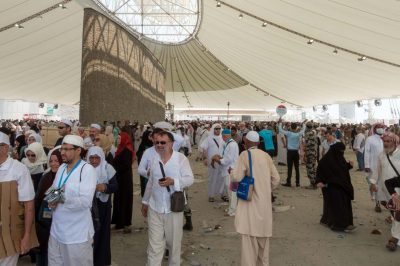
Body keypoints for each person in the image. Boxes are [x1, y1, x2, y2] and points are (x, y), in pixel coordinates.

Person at [141, 131, 194, 266]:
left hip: (173, 210)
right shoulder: (154, 160)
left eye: (163, 142)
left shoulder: (180, 159)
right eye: (156, 142)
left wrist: (173, 182)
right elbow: (151, 183)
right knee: (154, 247)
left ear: (171, 144)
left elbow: (189, 179)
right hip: (155, 208)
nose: (159, 145)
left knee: (174, 246)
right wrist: (145, 202)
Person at [231, 131, 280, 266]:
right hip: (264, 206)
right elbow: (276, 179)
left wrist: (231, 172)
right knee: (263, 246)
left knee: (249, 245)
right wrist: (264, 188)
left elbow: (236, 178)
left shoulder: (245, 155)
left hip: (250, 205)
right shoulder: (266, 156)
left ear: (245, 142)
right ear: (258, 143)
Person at [47, 135, 97, 266]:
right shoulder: (62, 168)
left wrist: (62, 198)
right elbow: (55, 188)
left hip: (76, 235)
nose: (62, 152)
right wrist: (52, 199)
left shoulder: (87, 170)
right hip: (56, 231)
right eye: (62, 149)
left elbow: (86, 202)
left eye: (66, 149)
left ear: (78, 150)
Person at [0, 132, 37, 266]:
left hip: (10, 234)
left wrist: (27, 236)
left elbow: (29, 206)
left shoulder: (19, 170)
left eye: (1, 146)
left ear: (5, 148)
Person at [87, 146, 118, 266]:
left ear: (101, 158)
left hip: (103, 207)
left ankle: (101, 262)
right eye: (91, 158)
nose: (94, 161)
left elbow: (115, 186)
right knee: (89, 235)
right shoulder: (85, 168)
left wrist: (105, 187)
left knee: (102, 234)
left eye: (97, 158)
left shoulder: (108, 168)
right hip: (88, 207)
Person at [316, 142, 356, 232]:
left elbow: (342, 169)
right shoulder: (326, 160)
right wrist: (319, 181)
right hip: (331, 186)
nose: (341, 153)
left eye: (343, 151)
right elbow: (320, 171)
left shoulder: (339, 158)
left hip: (342, 185)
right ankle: (339, 225)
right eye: (340, 151)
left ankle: (345, 223)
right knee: (337, 205)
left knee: (343, 204)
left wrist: (349, 165)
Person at [35, 147, 62, 266]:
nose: (53, 164)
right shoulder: (46, 177)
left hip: (59, 224)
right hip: (44, 224)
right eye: (51, 161)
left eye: (57, 161)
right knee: (43, 252)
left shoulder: (65, 179)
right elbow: (38, 199)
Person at [212, 128, 239, 216]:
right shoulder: (228, 143)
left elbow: (229, 159)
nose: (222, 138)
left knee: (232, 192)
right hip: (227, 170)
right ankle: (231, 207)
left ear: (227, 136)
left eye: (223, 136)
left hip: (231, 170)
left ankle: (233, 211)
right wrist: (220, 158)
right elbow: (226, 156)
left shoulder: (232, 144)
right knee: (229, 191)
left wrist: (220, 161)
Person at [111, 132, 135, 233]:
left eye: (120, 139)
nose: (119, 140)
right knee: (119, 199)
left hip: (124, 180)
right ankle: (118, 221)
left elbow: (126, 165)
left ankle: (123, 222)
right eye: (118, 139)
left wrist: (114, 169)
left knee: (123, 200)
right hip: (120, 178)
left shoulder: (127, 150)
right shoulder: (121, 149)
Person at [199, 123, 224, 202]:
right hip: (212, 162)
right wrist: (205, 159)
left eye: (219, 129)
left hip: (222, 161)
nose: (218, 130)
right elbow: (204, 149)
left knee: (222, 178)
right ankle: (211, 195)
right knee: (212, 178)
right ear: (213, 129)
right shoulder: (209, 139)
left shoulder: (223, 138)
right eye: (216, 129)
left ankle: (222, 194)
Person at [279, 120, 307, 187]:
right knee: (297, 168)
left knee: (289, 168)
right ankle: (297, 183)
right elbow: (303, 129)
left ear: (291, 127)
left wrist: (280, 123)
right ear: (296, 128)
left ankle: (288, 182)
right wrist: (303, 124)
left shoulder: (289, 133)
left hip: (290, 152)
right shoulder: (298, 134)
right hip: (296, 152)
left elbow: (280, 130)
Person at [364, 123, 385, 212]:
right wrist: (367, 165)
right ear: (375, 129)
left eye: (382, 127)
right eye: (379, 127)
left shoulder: (386, 139)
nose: (380, 129)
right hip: (373, 166)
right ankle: (377, 204)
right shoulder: (370, 139)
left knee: (384, 184)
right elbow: (367, 152)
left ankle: (385, 202)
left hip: (385, 165)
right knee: (374, 184)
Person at [304, 122, 318, 189]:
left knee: (310, 169)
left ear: (306, 127)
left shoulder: (308, 134)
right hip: (314, 153)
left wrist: (305, 154)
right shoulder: (314, 133)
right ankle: (315, 183)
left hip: (309, 153)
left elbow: (306, 144)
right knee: (314, 168)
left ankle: (312, 184)